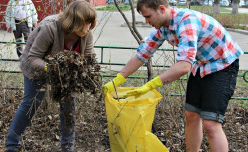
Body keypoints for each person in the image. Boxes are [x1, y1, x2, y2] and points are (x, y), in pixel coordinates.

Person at [102, 0, 243, 151]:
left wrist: (150, 85)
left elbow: (183, 66)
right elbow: (142, 54)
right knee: (191, 115)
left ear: (161, 9)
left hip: (223, 65)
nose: (146, 21)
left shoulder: (186, 21)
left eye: (148, 16)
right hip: (201, 65)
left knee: (211, 124)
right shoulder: (163, 27)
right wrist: (118, 79)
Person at [5, 1, 97, 151]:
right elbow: (33, 58)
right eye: (86, 23)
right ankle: (12, 144)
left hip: (66, 73)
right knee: (31, 103)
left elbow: (89, 57)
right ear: (75, 22)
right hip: (37, 67)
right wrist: (52, 68)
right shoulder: (50, 28)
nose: (89, 27)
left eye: (91, 23)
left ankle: (68, 148)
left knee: (68, 107)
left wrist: (85, 72)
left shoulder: (87, 34)